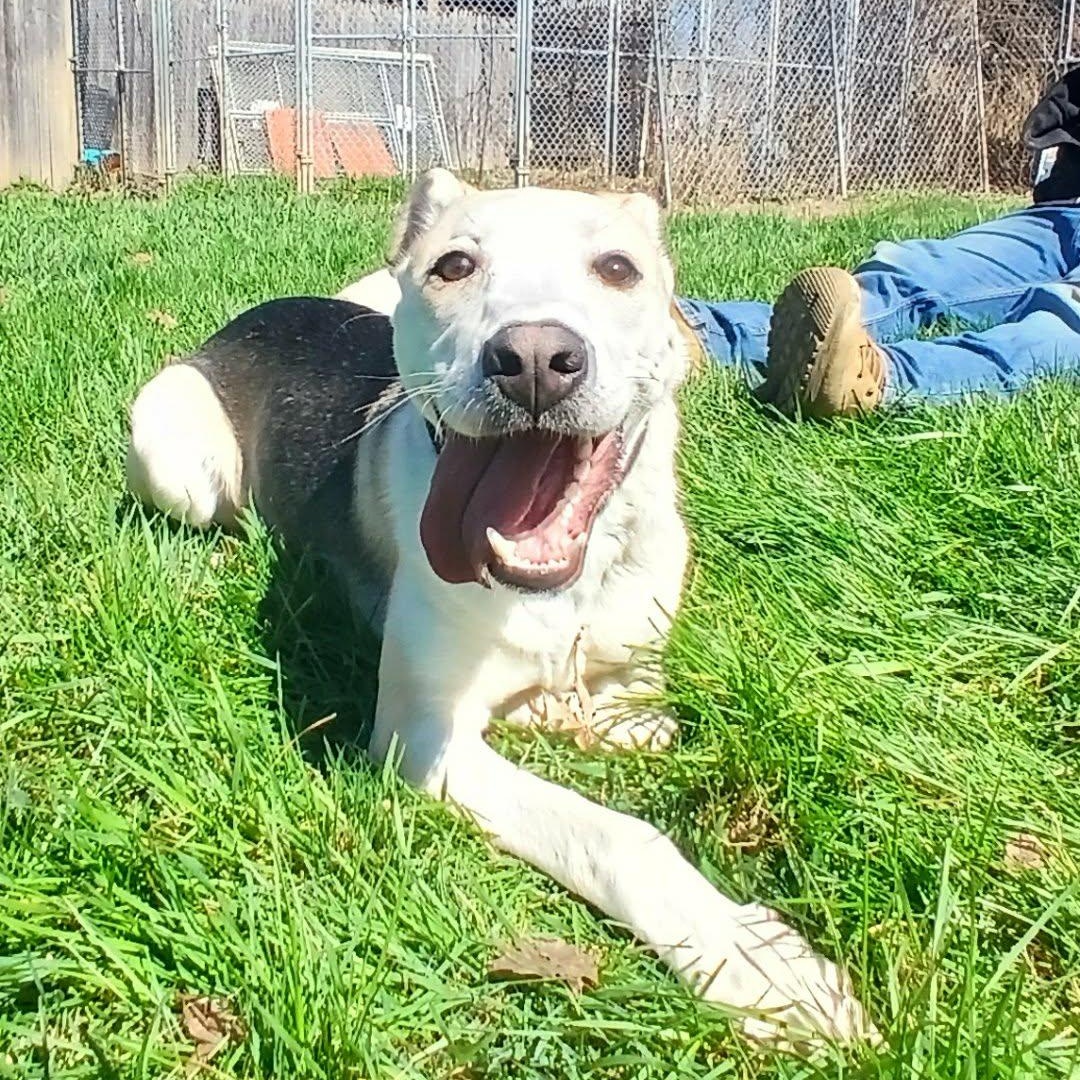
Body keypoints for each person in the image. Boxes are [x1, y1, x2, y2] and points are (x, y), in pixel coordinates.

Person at [675, 66, 1080, 418]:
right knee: (913, 272)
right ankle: (695, 333)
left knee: (1067, 323)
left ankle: (872, 377)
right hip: (1065, 209)